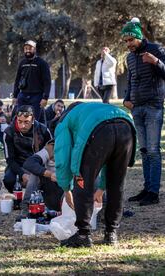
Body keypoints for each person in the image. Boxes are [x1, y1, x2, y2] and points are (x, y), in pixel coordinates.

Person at [54, 102, 136, 247]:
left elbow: (62, 158)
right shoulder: (89, 111)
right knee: (117, 183)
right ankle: (111, 233)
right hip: (126, 126)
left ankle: (83, 234)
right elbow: (108, 161)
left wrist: (66, 189)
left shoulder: (65, 122)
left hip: (100, 130)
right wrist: (102, 187)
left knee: (82, 180)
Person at [122, 18, 165, 206]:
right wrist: (126, 98)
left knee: (154, 151)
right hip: (137, 108)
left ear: (139, 37)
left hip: (153, 106)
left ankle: (154, 193)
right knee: (145, 150)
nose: (128, 44)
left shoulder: (156, 50)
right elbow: (131, 80)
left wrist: (155, 62)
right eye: (126, 41)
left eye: (131, 40)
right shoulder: (130, 58)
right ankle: (147, 189)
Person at [3, 105, 52, 195]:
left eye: (26, 122)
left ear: (33, 120)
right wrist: (22, 174)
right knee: (9, 180)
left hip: (38, 164)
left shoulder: (43, 130)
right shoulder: (9, 132)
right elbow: (10, 159)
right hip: (18, 164)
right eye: (20, 121)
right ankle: (16, 196)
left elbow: (51, 153)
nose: (23, 126)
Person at [13, 40, 51, 118]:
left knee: (34, 120)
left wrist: (45, 98)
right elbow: (17, 80)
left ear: (35, 49)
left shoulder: (42, 63)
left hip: (37, 97)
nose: (27, 50)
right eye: (26, 48)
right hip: (22, 95)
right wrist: (15, 96)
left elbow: (47, 82)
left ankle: (34, 131)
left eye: (30, 48)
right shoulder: (22, 63)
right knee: (20, 118)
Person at [23, 140, 64, 212]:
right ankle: (27, 205)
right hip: (53, 186)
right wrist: (50, 174)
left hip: (72, 188)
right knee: (35, 172)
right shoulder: (52, 147)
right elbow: (29, 163)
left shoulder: (81, 148)